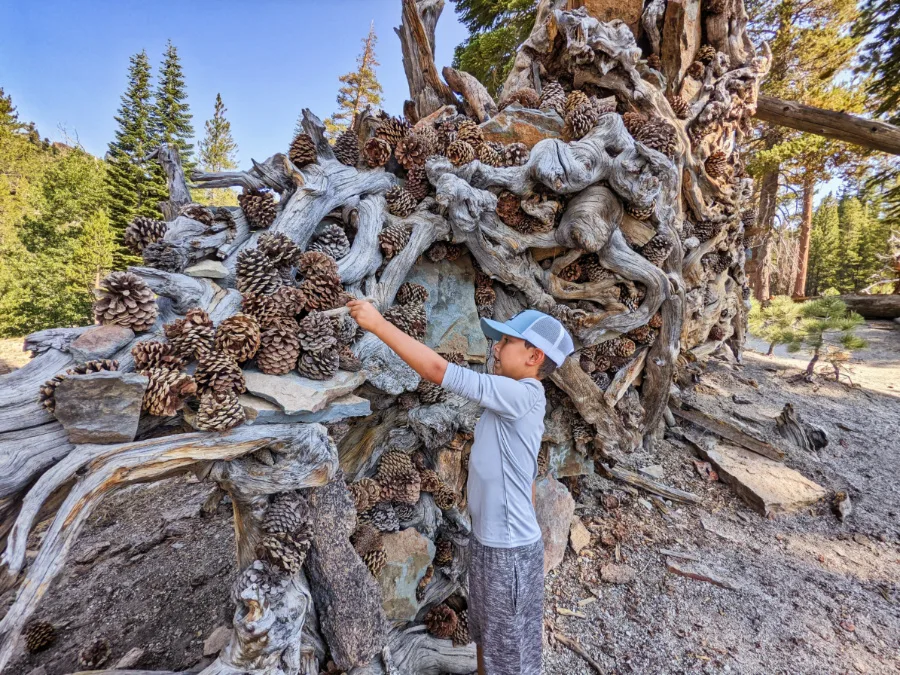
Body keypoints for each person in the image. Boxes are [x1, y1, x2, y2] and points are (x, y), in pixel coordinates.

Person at [346, 298, 575, 675]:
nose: (496, 347)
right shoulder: (513, 399)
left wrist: (377, 324)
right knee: (488, 636)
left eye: (507, 342)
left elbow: (437, 369)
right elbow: (526, 475)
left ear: (534, 356)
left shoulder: (523, 395)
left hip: (510, 554)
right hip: (493, 545)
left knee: (510, 656)